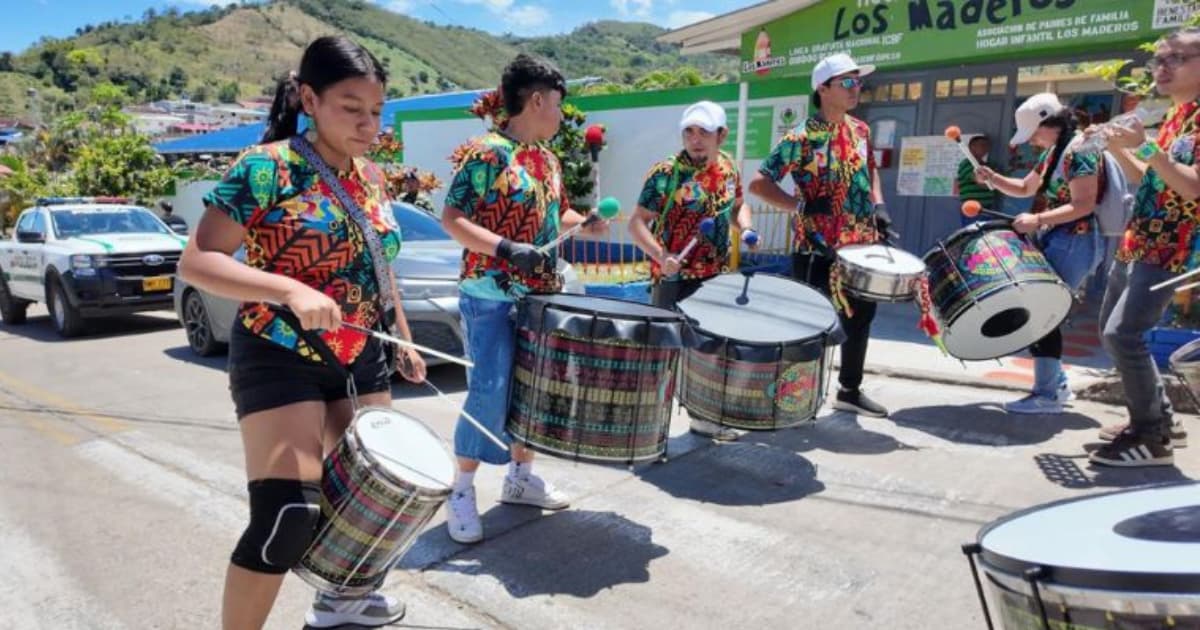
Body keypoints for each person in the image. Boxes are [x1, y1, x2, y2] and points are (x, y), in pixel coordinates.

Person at [178, 36, 426, 629]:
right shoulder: (266, 167)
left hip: (362, 355)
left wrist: (402, 332)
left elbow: (378, 261)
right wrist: (288, 290)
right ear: (310, 100)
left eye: (376, 111)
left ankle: (341, 604)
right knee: (287, 516)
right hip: (279, 351)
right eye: (351, 108)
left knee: (371, 501)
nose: (367, 125)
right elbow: (198, 261)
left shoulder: (371, 177)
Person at [440, 54, 608, 544]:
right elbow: (453, 218)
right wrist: (505, 248)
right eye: (557, 103)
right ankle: (461, 489)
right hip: (489, 295)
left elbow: (558, 215)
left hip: (540, 297)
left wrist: (585, 223)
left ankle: (520, 479)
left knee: (534, 390)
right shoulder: (487, 153)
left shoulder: (548, 160)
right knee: (489, 390)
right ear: (536, 100)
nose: (560, 113)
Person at [749, 52, 891, 418]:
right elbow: (759, 184)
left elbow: (870, 169)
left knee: (861, 317)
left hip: (860, 245)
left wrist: (878, 205)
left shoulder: (861, 130)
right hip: (816, 248)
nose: (856, 89)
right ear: (823, 89)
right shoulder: (801, 137)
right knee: (808, 323)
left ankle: (849, 390)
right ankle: (791, 397)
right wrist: (800, 205)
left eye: (859, 82)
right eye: (848, 82)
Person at [1086, 26, 1200, 467]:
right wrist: (1117, 149)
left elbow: (1192, 187)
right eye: (1160, 59)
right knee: (1111, 331)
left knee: (1124, 334)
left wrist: (1146, 145)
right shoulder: (1177, 115)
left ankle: (1151, 437)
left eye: (1177, 59)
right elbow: (1151, 176)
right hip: (1139, 239)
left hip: (1172, 247)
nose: (1163, 67)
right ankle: (1162, 420)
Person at [628, 99, 754, 439]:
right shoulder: (665, 174)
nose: (695, 140)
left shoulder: (728, 167)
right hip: (674, 278)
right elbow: (636, 223)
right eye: (689, 132)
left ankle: (703, 417)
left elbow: (738, 207)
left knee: (709, 351)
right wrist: (661, 255)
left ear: (721, 135)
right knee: (666, 354)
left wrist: (746, 228)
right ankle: (649, 431)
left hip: (714, 276)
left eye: (704, 132)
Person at [974, 93, 1104, 415]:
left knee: (1043, 313)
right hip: (1060, 238)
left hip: (1075, 240)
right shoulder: (1055, 152)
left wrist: (1038, 219)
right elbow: (1024, 188)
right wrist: (993, 178)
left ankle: (1048, 393)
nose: (1031, 141)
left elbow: (1084, 204)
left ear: (1050, 123)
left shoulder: (1080, 149)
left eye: (1033, 133)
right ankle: (1055, 385)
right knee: (1043, 312)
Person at [957, 134, 998, 225]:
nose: (986, 148)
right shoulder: (967, 164)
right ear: (971, 147)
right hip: (972, 209)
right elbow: (982, 183)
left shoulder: (987, 165)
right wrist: (994, 182)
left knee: (988, 232)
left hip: (987, 208)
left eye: (987, 145)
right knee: (974, 232)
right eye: (982, 145)